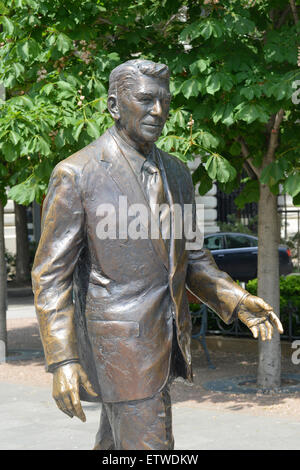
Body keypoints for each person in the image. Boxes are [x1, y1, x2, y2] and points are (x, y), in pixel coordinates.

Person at [32, 59, 283, 450]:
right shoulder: (77, 174)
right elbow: (51, 277)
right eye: (146, 100)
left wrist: (236, 300)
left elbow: (193, 259)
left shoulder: (178, 173)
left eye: (164, 101)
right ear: (115, 105)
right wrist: (63, 360)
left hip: (166, 342)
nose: (159, 112)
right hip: (119, 349)